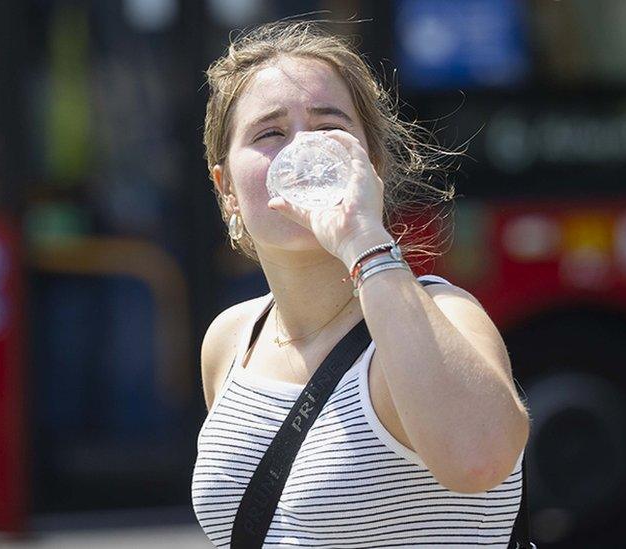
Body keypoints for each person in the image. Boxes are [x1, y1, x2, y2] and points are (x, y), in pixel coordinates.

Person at [192, 20, 531, 548]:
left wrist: (362, 242)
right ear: (227, 188)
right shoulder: (231, 340)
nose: (304, 150)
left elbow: (479, 460)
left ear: (370, 165)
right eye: (270, 133)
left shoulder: (445, 313)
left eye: (330, 127)